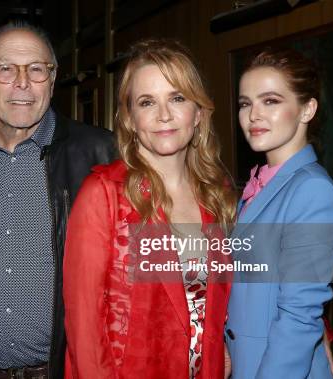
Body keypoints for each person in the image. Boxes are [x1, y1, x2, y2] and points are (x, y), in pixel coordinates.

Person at [0, 21, 116, 379]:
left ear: (52, 79)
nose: (22, 83)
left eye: (36, 69)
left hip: (62, 370)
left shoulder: (101, 155)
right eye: (5, 69)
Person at [63, 39, 237, 379]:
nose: (164, 115)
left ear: (199, 112)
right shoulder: (103, 195)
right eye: (147, 102)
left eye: (177, 98)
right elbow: (85, 333)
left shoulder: (217, 195)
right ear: (129, 118)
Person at [225, 48, 333, 378]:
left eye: (271, 101)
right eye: (245, 103)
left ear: (307, 109)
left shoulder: (311, 191)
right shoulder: (261, 183)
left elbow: (299, 314)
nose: (253, 115)